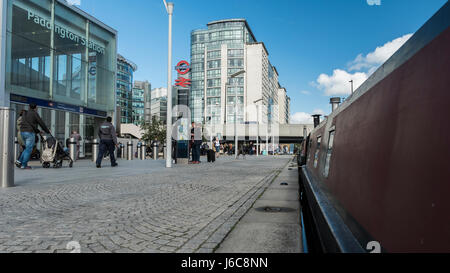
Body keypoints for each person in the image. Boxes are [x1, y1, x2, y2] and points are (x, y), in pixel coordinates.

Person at [16, 103, 50, 169]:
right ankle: (24, 165)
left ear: (29, 107)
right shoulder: (34, 113)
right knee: (28, 149)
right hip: (29, 133)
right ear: (36, 107)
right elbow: (41, 123)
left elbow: (27, 123)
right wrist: (47, 131)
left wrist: (37, 131)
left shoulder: (25, 113)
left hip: (22, 132)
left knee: (26, 148)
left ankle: (19, 161)